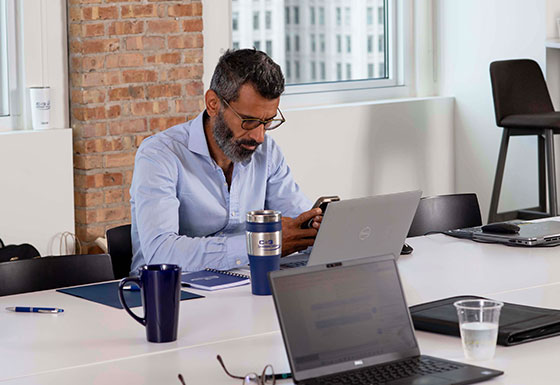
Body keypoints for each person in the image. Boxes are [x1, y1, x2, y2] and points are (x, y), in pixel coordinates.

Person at [129, 49, 321, 272]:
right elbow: (161, 253)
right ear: (213, 103)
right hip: (168, 294)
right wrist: (260, 244)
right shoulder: (159, 155)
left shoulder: (267, 152)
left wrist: (316, 229)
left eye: (267, 122)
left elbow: (299, 223)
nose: (259, 136)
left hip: (242, 289)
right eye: (248, 121)